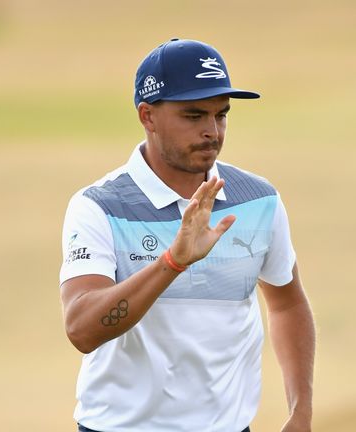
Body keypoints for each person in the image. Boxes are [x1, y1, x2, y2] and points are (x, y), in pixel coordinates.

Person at [59, 38, 315, 432]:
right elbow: (82, 330)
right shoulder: (99, 206)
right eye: (194, 116)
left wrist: (300, 411)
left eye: (221, 115)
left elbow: (286, 304)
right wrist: (173, 262)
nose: (212, 131)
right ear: (147, 116)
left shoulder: (259, 200)